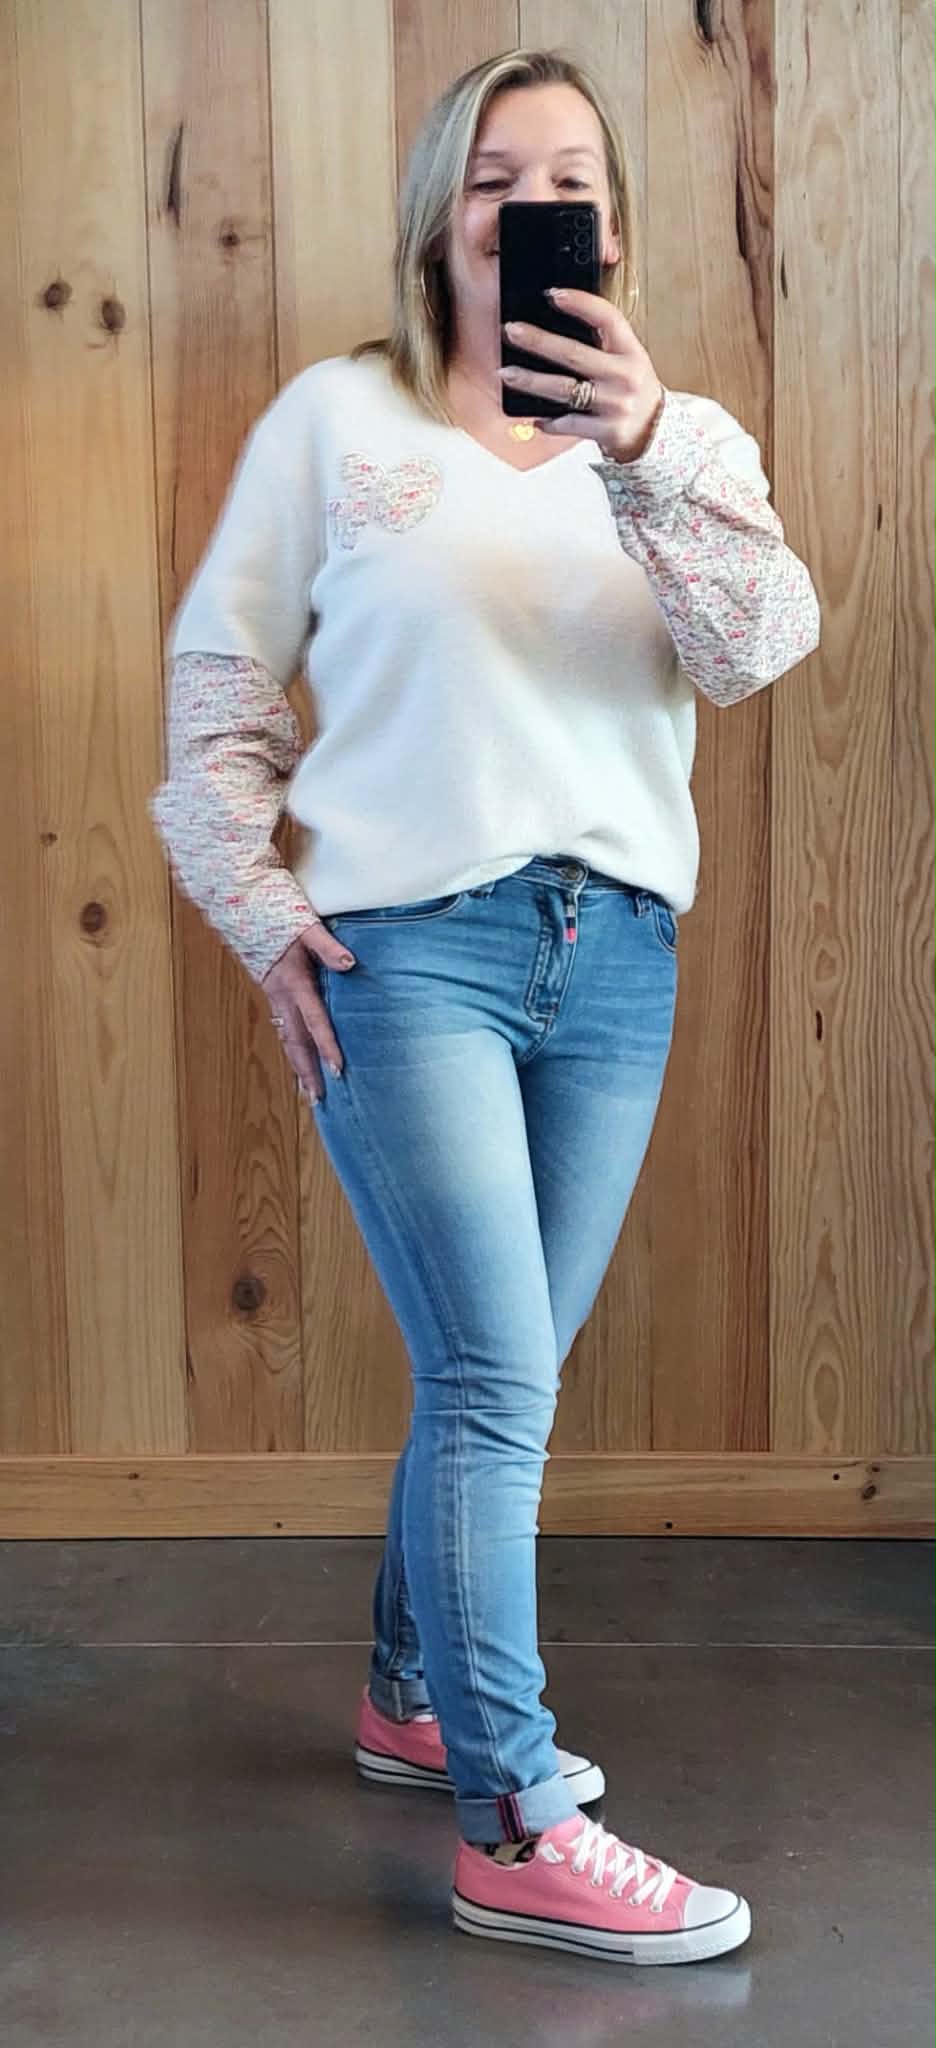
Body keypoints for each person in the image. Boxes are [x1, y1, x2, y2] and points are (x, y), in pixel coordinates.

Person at [149, 46, 820, 1965]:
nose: (533, 210)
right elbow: (219, 691)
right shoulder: (335, 419)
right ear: (439, 220)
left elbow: (758, 649)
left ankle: (406, 1695)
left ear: (611, 224)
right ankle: (517, 1818)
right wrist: (262, 909)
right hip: (409, 953)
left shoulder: (682, 439)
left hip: (615, 959)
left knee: (493, 1367)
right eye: (493, 179)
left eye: (569, 182)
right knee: (498, 1381)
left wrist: (641, 442)